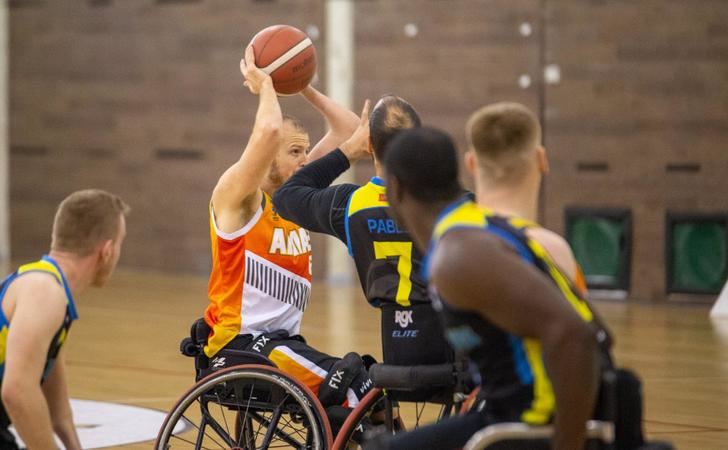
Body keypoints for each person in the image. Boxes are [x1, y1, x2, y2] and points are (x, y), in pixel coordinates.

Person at [378, 127, 607, 450]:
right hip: (509, 414)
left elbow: (576, 335)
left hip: (529, 424)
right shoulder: (476, 228)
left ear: (395, 188)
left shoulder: (458, 254)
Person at [201, 46, 370, 413]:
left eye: (307, 151)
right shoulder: (239, 198)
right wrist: (266, 86)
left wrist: (302, 85)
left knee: (369, 394)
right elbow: (269, 130)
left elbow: (352, 131)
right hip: (242, 346)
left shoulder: (294, 198)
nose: (306, 161)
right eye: (295, 152)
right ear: (268, 156)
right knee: (362, 389)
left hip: (283, 345)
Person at [273, 95, 452, 367]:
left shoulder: (351, 205)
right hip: (451, 354)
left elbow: (286, 196)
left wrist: (348, 152)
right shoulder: (454, 206)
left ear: (369, 145)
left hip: (395, 353)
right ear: (418, 144)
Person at [0, 189, 129, 450]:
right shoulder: (44, 291)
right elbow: (16, 391)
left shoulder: (54, 295)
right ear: (107, 250)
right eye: (120, 244)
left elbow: (60, 415)